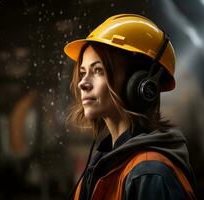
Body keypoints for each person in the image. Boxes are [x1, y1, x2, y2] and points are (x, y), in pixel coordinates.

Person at [64, 14, 196, 200]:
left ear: (139, 84)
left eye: (98, 71)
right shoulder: (102, 167)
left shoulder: (149, 175)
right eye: (83, 72)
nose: (82, 83)